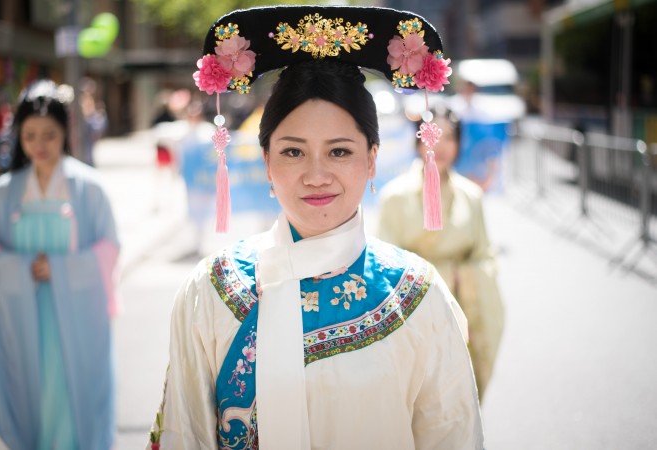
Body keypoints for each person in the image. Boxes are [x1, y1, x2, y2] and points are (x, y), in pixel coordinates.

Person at [148, 6, 483, 449]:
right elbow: (183, 436)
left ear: (372, 160)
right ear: (266, 162)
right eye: (293, 152)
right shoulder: (209, 292)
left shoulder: (418, 296)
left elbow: (453, 437)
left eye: (340, 152)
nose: (317, 175)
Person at [0, 79, 120, 450]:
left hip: (77, 314)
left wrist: (59, 268)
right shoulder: (4, 192)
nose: (39, 145)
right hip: (24, 314)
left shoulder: (89, 187)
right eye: (29, 136)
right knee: (32, 390)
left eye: (49, 134)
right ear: (18, 137)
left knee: (72, 390)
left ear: (65, 132)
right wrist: (23, 266)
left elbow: (109, 247)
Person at [377, 108, 505, 400]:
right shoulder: (394, 196)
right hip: (413, 307)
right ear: (418, 142)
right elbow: (384, 263)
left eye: (449, 137)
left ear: (459, 143)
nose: (440, 146)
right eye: (432, 136)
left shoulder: (471, 195)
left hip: (464, 304)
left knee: (460, 393)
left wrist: (464, 277)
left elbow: (485, 255)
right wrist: (431, 281)